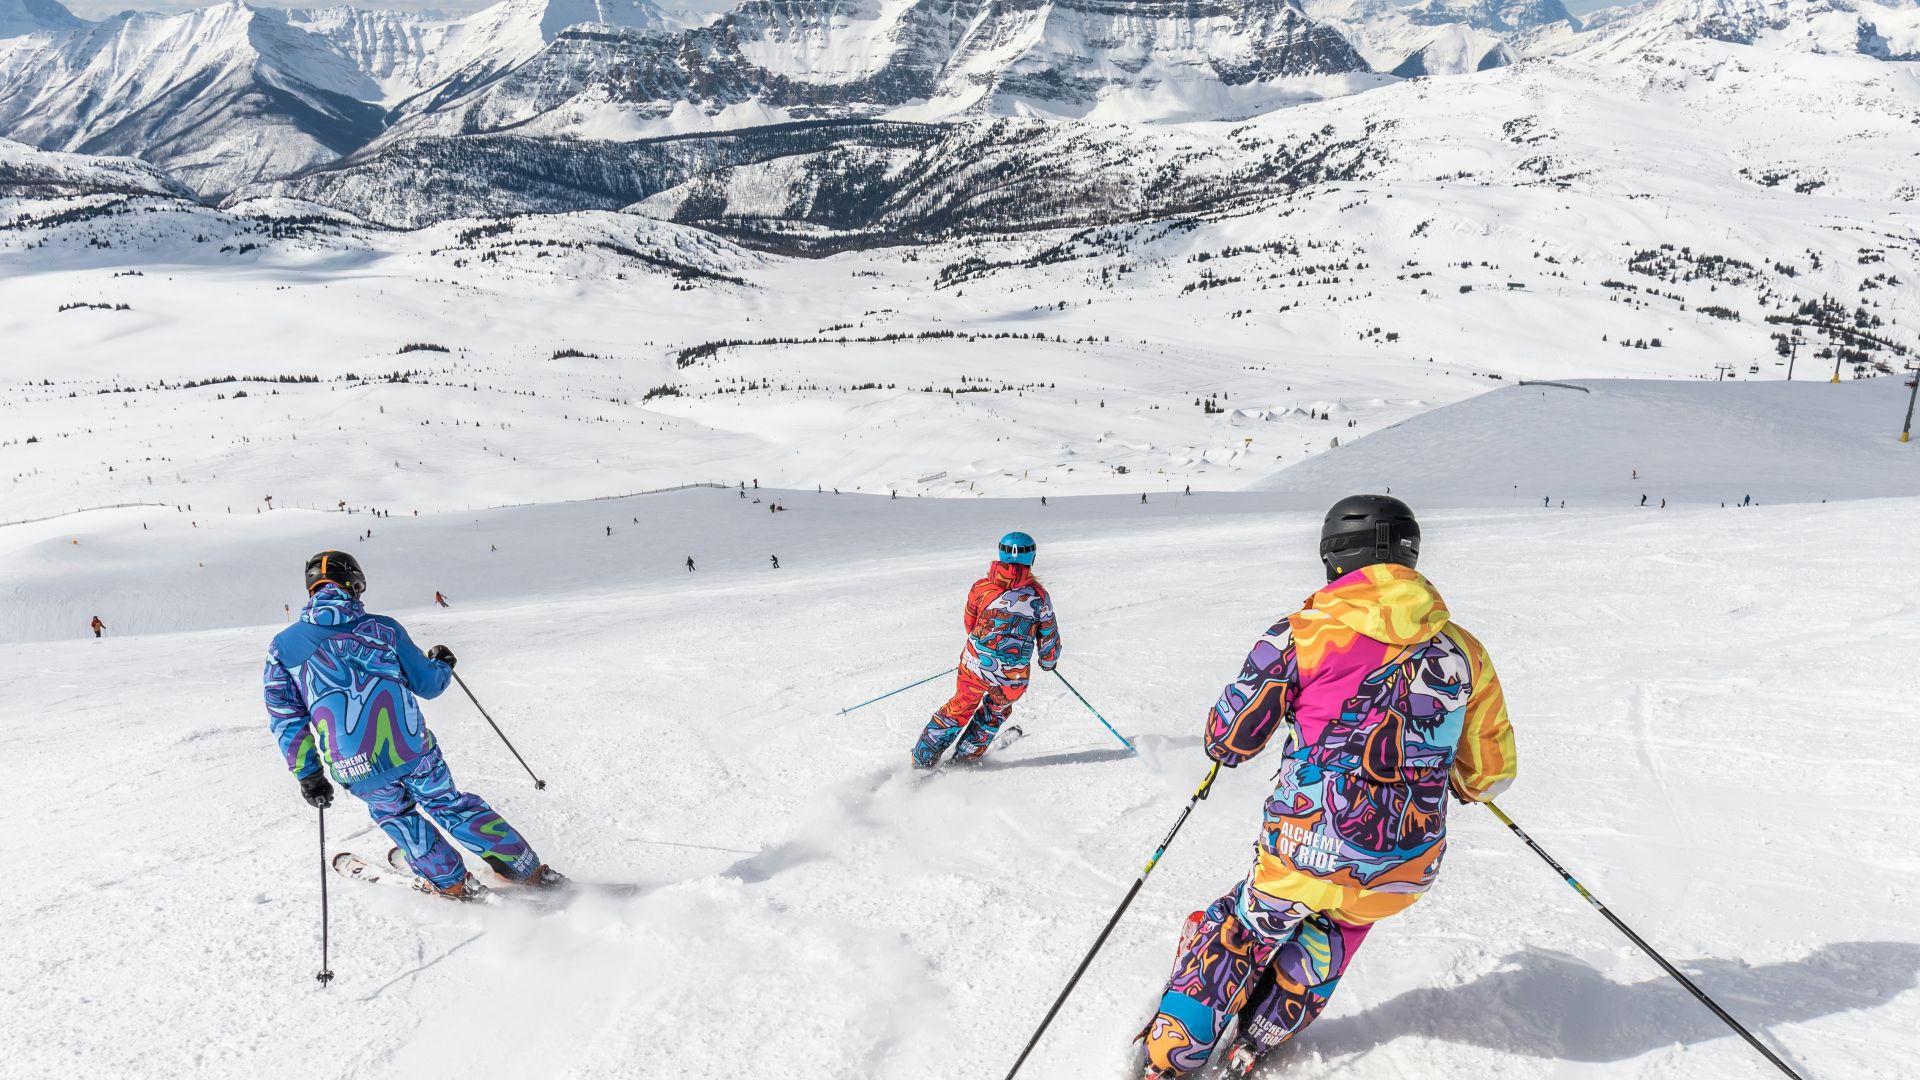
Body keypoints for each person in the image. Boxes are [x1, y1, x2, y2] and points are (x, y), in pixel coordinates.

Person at [1138, 496, 1516, 1078]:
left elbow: (1231, 737)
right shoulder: (1464, 650)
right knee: (1335, 930)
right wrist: (1460, 781)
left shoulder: (1302, 634)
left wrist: (1226, 748)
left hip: (1304, 844)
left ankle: (1172, 1054)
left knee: (1245, 924)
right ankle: (1259, 1036)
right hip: (1403, 862)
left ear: (1335, 557)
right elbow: (1489, 772)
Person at [265, 551, 562, 898]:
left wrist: (309, 774)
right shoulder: (382, 629)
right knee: (450, 805)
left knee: (399, 817)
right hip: (410, 748)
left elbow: (286, 715)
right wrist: (443, 664)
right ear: (354, 584)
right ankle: (525, 870)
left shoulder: (283, 646)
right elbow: (427, 684)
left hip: (354, 765)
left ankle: (452, 882)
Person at [911, 532, 1062, 768]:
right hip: (1012, 676)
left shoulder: (981, 588)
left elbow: (970, 624)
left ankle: (924, 755)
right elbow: (1049, 635)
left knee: (961, 704)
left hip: (974, 665)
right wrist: (1049, 661)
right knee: (995, 710)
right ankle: (966, 755)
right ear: (1032, 558)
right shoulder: (1039, 597)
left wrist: (983, 652)